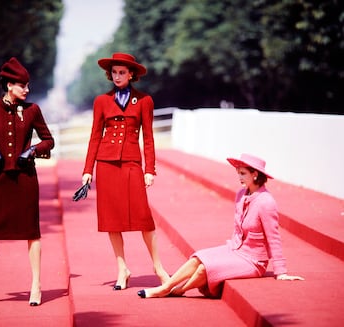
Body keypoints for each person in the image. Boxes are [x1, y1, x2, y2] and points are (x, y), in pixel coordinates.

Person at [137, 153, 304, 298]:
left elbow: (274, 237)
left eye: (243, 173)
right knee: (198, 257)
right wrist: (230, 251)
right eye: (238, 173)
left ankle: (176, 290)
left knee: (205, 268)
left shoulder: (266, 202)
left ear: (255, 174)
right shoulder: (241, 194)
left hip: (254, 262)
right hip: (235, 249)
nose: (239, 177)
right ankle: (166, 287)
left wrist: (281, 271)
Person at [0, 57, 54, 306]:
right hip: (1, 179)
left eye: (27, 85)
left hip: (26, 178)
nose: (27, 90)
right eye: (22, 85)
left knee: (32, 233)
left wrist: (34, 150)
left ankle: (36, 284)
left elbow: (49, 140)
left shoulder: (32, 110)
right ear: (9, 85)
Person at [81, 52, 169, 290]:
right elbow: (94, 136)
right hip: (106, 164)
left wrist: (149, 169)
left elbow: (148, 138)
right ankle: (122, 269)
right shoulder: (101, 101)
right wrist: (88, 169)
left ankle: (158, 267)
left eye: (122, 72)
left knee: (143, 217)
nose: (117, 76)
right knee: (112, 220)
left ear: (131, 74)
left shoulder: (144, 101)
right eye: (114, 72)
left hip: (131, 163)